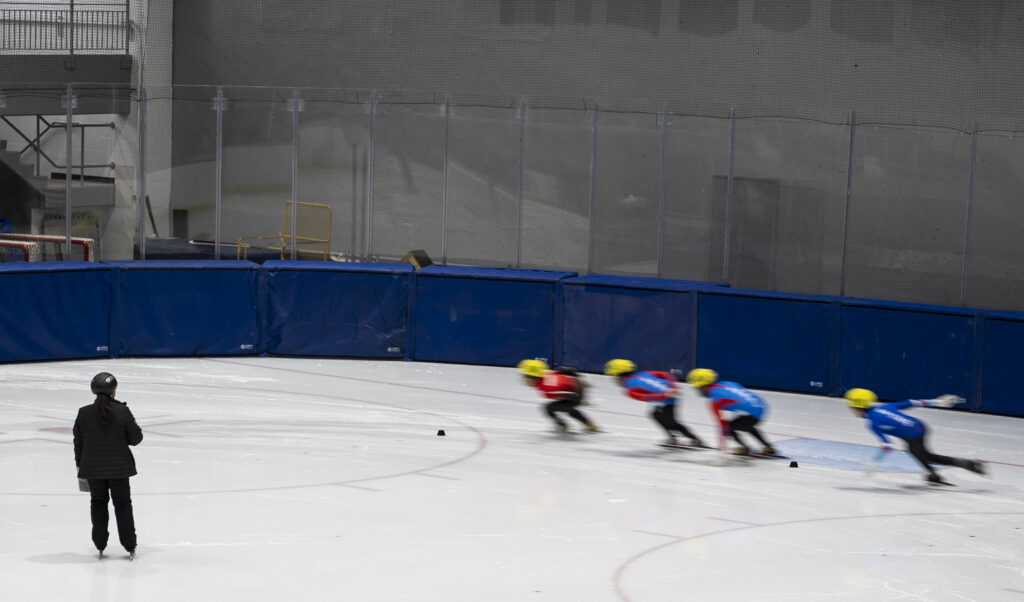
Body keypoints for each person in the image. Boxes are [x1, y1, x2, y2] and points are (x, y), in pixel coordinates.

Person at [844, 388, 987, 484]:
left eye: (851, 407)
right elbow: (912, 402)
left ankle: (971, 465)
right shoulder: (884, 407)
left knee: (927, 456)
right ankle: (933, 475)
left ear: (858, 406)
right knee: (916, 452)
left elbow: (887, 446)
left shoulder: (873, 422)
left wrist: (874, 462)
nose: (851, 410)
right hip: (920, 426)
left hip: (913, 435)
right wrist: (937, 402)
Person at [73, 372, 144, 559]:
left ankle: (100, 543)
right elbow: (136, 438)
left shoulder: (84, 412)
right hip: (119, 469)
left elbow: (78, 443)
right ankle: (129, 544)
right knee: (123, 504)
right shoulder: (121, 411)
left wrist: (80, 467)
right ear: (114, 391)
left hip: (93, 470)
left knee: (98, 503)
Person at [605, 359, 703, 447]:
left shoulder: (630, 390)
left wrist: (666, 395)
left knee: (671, 421)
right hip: (670, 394)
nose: (614, 381)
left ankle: (695, 439)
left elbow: (647, 397)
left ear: (622, 377)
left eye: (615, 378)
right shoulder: (643, 373)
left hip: (667, 398)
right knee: (656, 415)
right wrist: (674, 387)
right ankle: (673, 437)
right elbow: (669, 375)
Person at [686, 368, 775, 455]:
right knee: (747, 426)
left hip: (753, 413)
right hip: (761, 406)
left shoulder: (714, 400)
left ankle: (745, 447)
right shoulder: (726, 383)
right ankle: (768, 446)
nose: (698, 392)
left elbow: (722, 425)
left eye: (699, 389)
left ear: (705, 386)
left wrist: (722, 447)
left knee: (729, 428)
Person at [518, 359, 599, 433]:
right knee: (567, 408)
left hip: (575, 393)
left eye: (525, 377)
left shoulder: (547, 388)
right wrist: (579, 377)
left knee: (549, 408)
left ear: (534, 379)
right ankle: (590, 425)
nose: (524, 381)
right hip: (576, 387)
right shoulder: (546, 375)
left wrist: (581, 401)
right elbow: (564, 370)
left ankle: (562, 425)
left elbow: (570, 395)